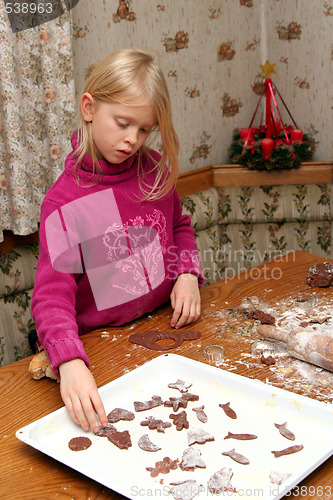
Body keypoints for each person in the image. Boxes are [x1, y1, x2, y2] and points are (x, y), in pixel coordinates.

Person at [31, 48, 203, 434]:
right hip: (100, 348)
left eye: (144, 129)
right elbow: (51, 297)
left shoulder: (153, 169)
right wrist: (70, 363)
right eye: (123, 123)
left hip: (163, 331)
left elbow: (179, 227)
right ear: (89, 108)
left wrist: (187, 275)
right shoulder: (65, 202)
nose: (133, 140)